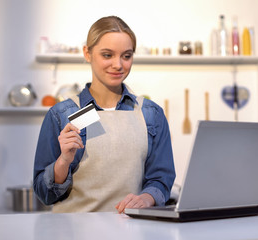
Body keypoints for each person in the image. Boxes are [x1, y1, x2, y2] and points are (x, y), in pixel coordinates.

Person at [33, 16, 175, 213]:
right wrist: (63, 161)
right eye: (107, 55)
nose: (118, 65)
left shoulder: (151, 115)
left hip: (132, 231)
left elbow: (161, 179)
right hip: (74, 232)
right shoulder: (62, 115)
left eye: (126, 56)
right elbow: (44, 194)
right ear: (87, 53)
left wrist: (147, 198)